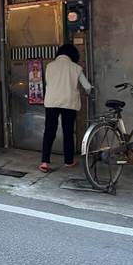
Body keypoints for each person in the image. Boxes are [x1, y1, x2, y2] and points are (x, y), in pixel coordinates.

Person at [39, 43, 93, 173]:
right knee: (68, 132)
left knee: (49, 131)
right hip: (69, 103)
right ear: (73, 55)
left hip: (52, 102)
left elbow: (49, 82)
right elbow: (87, 86)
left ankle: (44, 162)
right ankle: (68, 161)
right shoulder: (76, 68)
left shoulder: (50, 66)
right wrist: (88, 92)